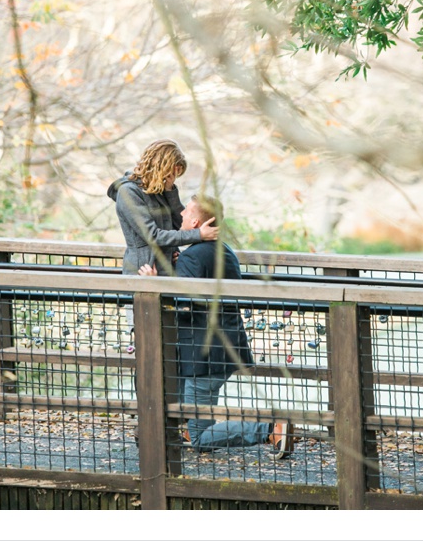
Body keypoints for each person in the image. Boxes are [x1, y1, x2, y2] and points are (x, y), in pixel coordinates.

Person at [138, 194, 294, 458]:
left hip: (203, 356)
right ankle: (189, 428)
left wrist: (155, 285)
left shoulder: (192, 257)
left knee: (200, 439)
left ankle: (270, 428)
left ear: (197, 220)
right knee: (197, 421)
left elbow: (181, 305)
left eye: (186, 211)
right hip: (227, 348)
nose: (182, 216)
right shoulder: (225, 250)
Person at [107, 139, 219, 277]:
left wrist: (170, 191)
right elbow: (152, 236)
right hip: (144, 272)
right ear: (160, 168)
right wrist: (199, 234)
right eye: (171, 174)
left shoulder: (162, 189)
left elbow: (181, 225)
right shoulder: (128, 192)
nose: (172, 178)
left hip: (169, 271)